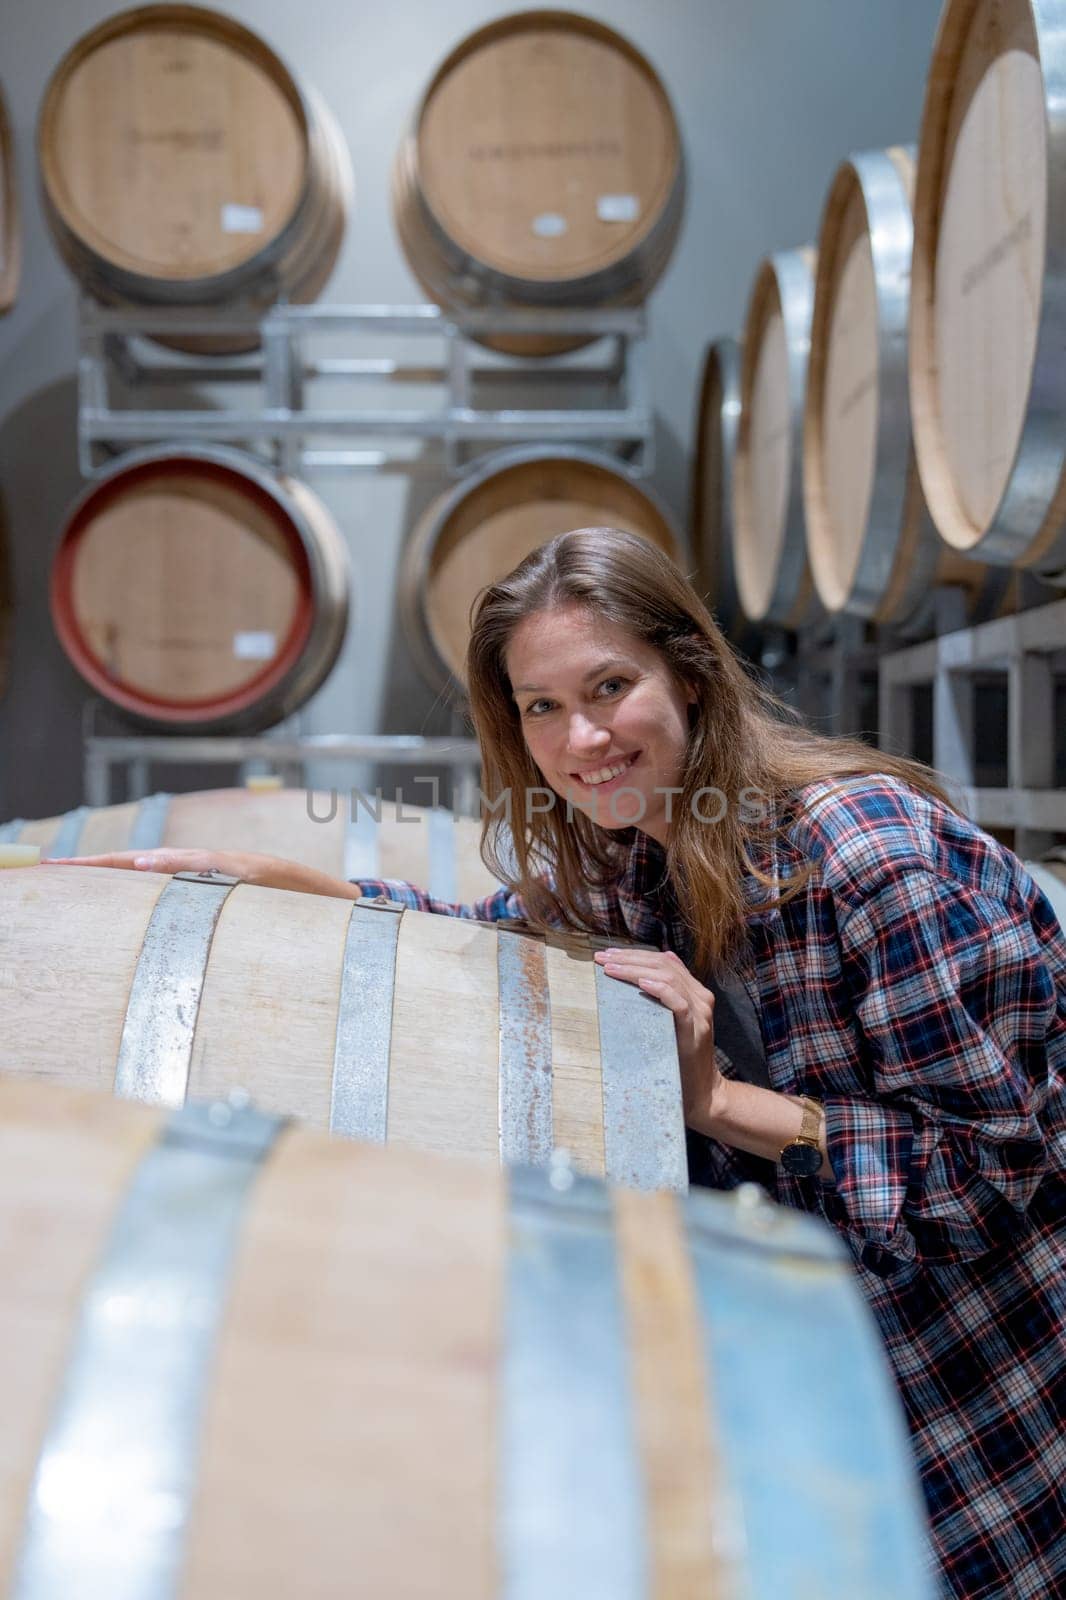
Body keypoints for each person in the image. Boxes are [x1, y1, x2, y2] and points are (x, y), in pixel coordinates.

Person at [59, 527, 1064, 1600]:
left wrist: (718, 1101)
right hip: (827, 1401)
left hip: (984, 1410)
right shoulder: (640, 860)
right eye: (541, 706)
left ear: (689, 670)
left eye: (609, 685)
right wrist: (274, 879)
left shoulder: (868, 855)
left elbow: (993, 1174)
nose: (580, 735)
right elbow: (491, 931)